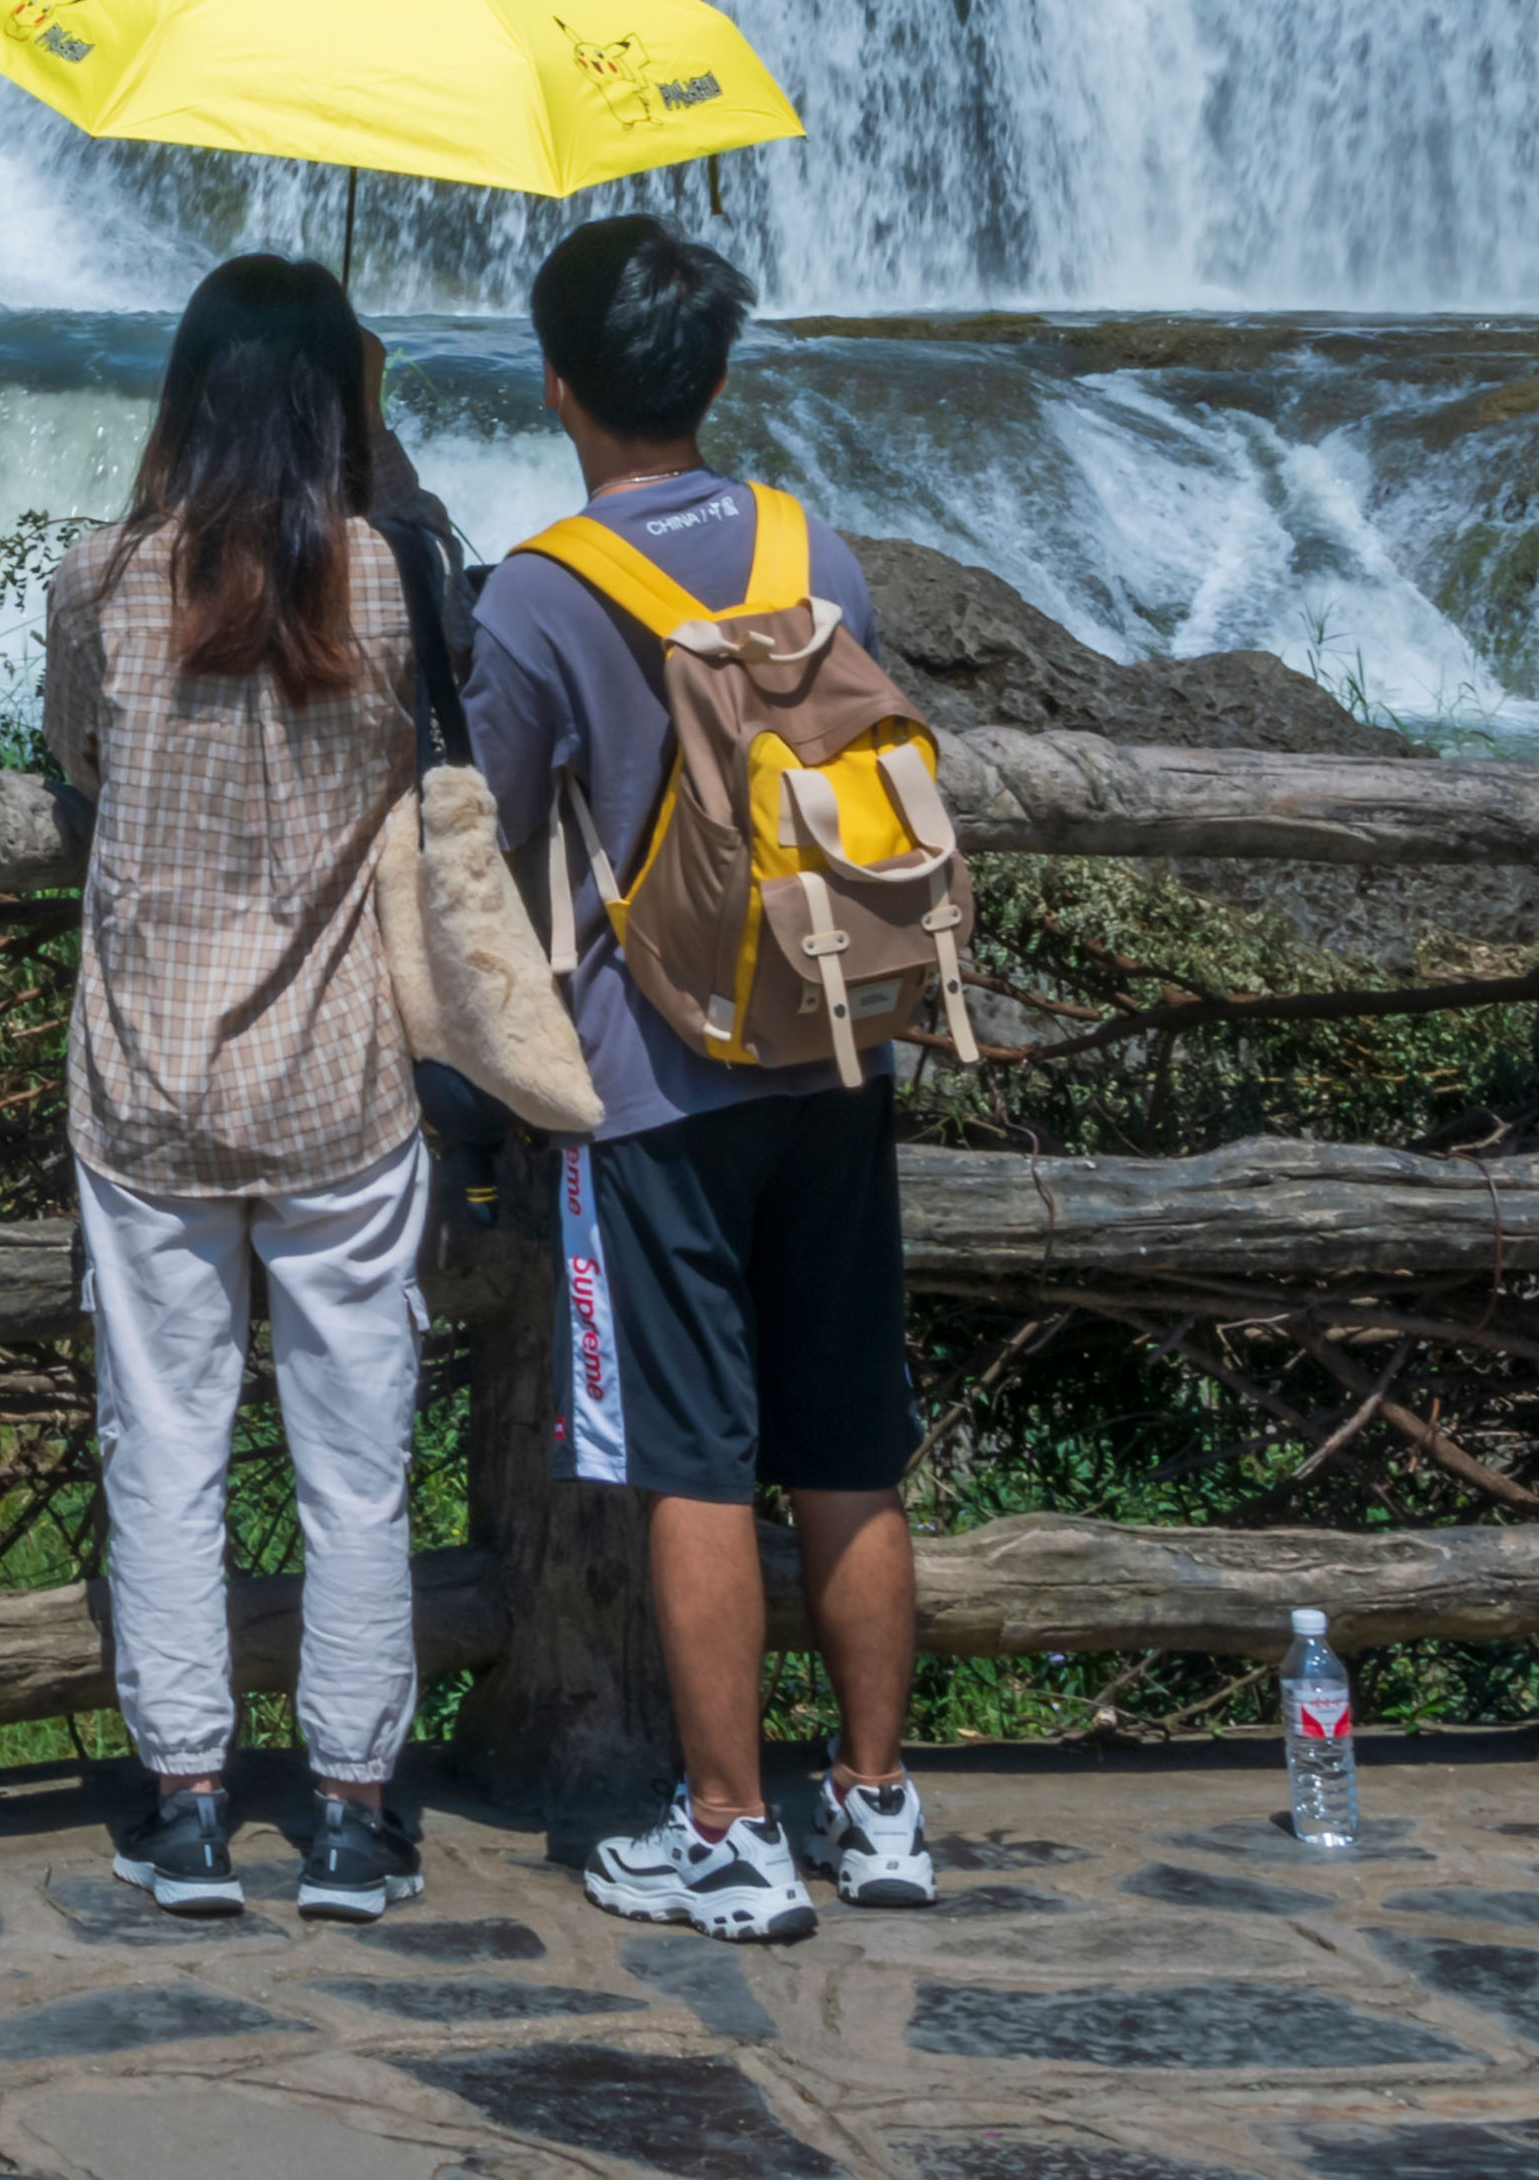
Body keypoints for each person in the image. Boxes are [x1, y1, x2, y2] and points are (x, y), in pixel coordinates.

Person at [464, 211, 934, 1942]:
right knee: (845, 1440)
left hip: (651, 1088)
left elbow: (492, 841)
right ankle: (877, 1806)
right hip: (833, 1046)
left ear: (556, 383)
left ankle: (729, 1829)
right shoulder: (817, 547)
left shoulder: (538, 589)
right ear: (718, 373)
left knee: (688, 1457)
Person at [40, 248, 434, 1920]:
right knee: (358, 1457)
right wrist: (377, 448)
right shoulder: (394, 574)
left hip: (149, 1081)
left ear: (184, 397)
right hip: (344, 1079)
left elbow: (72, 761)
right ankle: (351, 1812)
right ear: (338, 401)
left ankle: (187, 1800)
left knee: (166, 1443)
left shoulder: (102, 575)